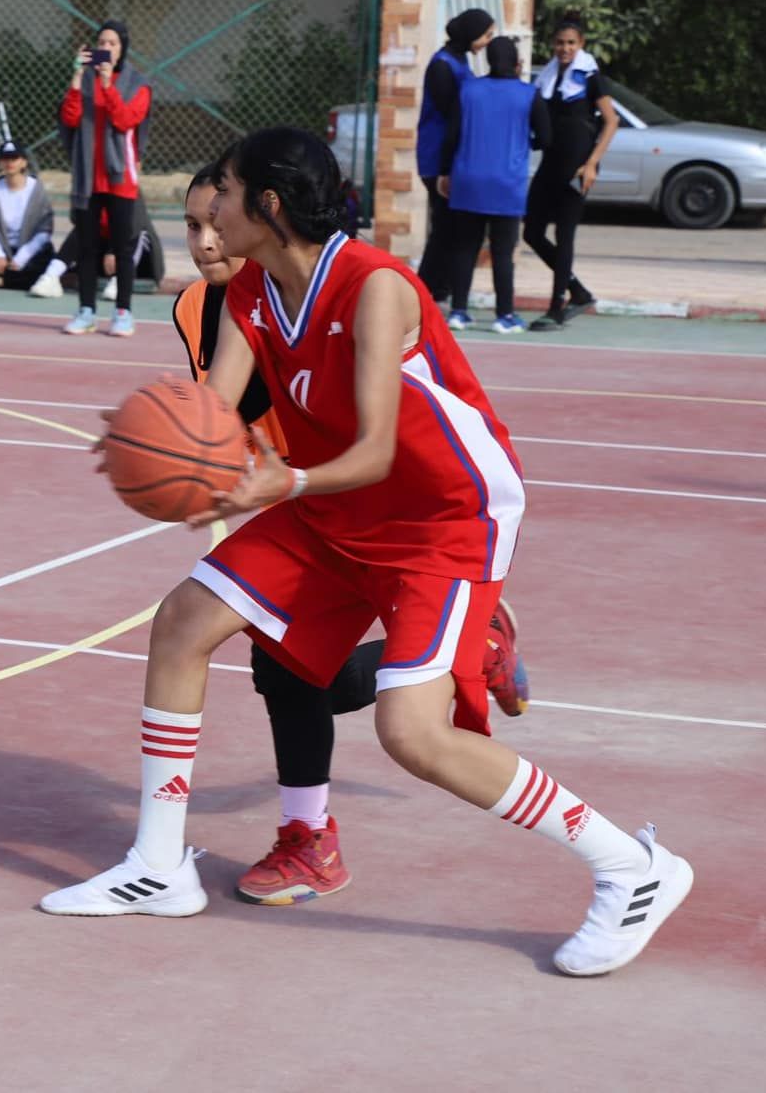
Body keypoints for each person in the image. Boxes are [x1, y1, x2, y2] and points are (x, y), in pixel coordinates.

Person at [43, 127, 692, 979]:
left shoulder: (377, 287)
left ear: (269, 207)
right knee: (184, 622)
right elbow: (207, 413)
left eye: (226, 196)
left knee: (411, 734)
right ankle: (160, 867)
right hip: (333, 504)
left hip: (443, 515)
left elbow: (380, 450)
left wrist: (281, 485)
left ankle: (632, 866)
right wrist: (157, 451)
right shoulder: (248, 295)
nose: (210, 214)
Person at [170, 164, 525, 906]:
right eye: (192, 228)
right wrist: (180, 464)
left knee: (339, 694)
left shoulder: (351, 290)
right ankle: (310, 838)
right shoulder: (210, 309)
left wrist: (264, 475)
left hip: (389, 500)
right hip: (313, 497)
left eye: (215, 220)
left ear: (262, 215)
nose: (205, 243)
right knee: (280, 664)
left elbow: (375, 433)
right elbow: (219, 420)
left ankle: (473, 641)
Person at [442, 36, 548, 334]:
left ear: (488, 60)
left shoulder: (468, 90)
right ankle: (505, 315)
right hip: (506, 184)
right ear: (517, 62)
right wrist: (524, 140)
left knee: (464, 249)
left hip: (468, 180)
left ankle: (459, 311)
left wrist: (444, 172)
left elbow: (451, 136)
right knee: (503, 252)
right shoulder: (528, 94)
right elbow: (546, 137)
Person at [59, 19, 151, 337]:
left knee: (123, 248)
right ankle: (86, 311)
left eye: (112, 43)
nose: (106, 48)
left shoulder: (138, 83)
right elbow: (70, 118)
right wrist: (76, 75)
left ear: (123, 48)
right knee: (86, 246)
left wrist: (109, 85)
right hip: (88, 177)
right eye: (102, 43)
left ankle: (123, 312)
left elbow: (126, 120)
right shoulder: (85, 79)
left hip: (120, 177)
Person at [525, 16, 617, 331]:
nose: (564, 49)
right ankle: (578, 291)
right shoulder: (547, 78)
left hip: (578, 166)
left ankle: (556, 307)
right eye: (560, 42)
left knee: (565, 235)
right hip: (551, 163)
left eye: (571, 43)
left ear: (581, 45)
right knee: (532, 232)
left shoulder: (591, 77)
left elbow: (611, 120)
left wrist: (591, 163)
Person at [417, 9, 495, 303]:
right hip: (438, 158)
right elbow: (452, 115)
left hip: (452, 157)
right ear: (471, 33)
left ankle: (439, 286)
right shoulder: (442, 65)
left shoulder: (459, 60)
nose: (488, 41)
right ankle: (426, 287)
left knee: (450, 225)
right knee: (444, 226)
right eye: (486, 35)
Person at [33, 192, 162, 303]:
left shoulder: (129, 188)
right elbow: (75, 218)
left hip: (134, 261)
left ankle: (120, 282)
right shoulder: (89, 186)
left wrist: (113, 251)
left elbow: (133, 225)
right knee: (82, 229)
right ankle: (51, 276)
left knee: (138, 234)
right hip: (103, 259)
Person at [0, 141, 55, 291]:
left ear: (24, 162)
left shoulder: (36, 189)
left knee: (46, 263)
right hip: (6, 251)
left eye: (14, 159)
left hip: (31, 252)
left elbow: (44, 231)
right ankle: (19, 280)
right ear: (0, 162)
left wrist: (23, 256)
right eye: (5, 159)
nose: (9, 163)